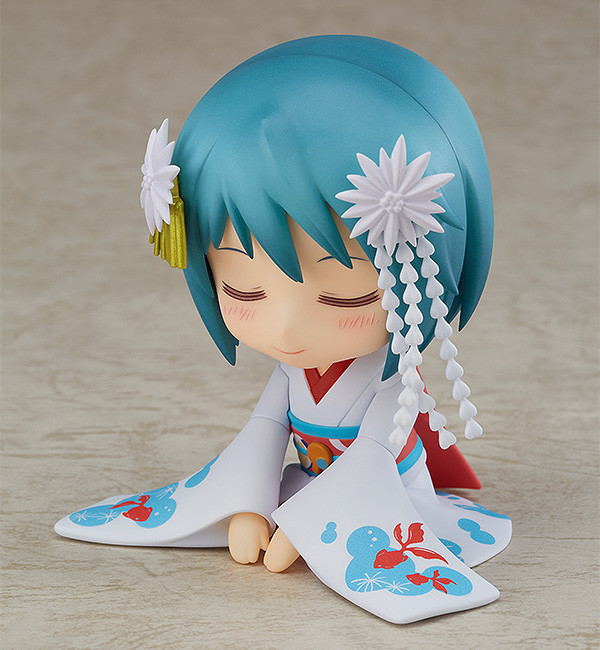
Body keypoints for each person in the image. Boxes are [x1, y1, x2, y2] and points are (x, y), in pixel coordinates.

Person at [55, 36, 511, 624]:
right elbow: (265, 431)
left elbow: (375, 452)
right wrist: (247, 504)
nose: (288, 328)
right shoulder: (292, 369)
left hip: (389, 499)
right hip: (309, 483)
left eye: (345, 296)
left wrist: (313, 528)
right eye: (245, 292)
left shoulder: (390, 378)